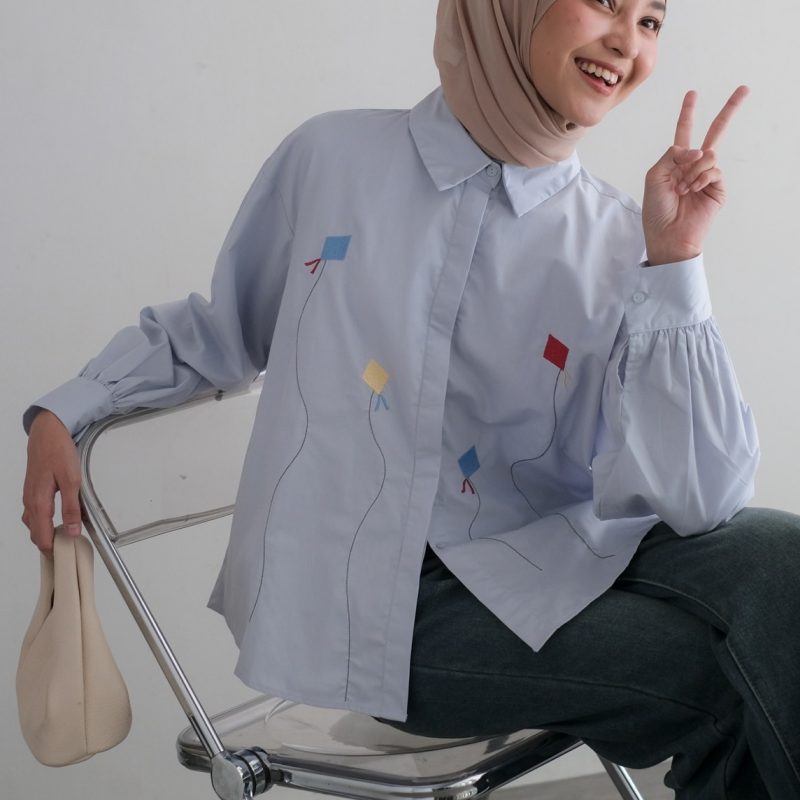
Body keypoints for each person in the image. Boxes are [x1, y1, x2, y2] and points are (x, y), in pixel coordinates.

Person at [20, 1, 800, 797]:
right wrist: (70, 407)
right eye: (605, 1)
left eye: (652, 20)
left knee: (785, 560)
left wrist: (676, 262)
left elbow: (704, 504)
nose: (627, 41)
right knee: (720, 675)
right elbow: (221, 330)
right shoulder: (333, 161)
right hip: (390, 620)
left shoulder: (619, 237)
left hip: (555, 565)